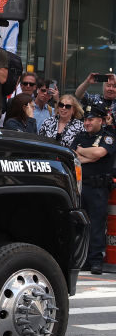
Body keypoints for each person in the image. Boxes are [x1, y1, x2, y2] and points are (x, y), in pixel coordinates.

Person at [72, 104, 116, 274]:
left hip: (98, 188)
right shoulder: (80, 136)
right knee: (81, 224)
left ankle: (96, 260)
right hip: (82, 186)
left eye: (91, 120)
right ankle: (83, 260)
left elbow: (100, 153)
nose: (87, 123)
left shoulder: (108, 137)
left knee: (97, 224)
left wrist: (83, 152)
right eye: (85, 120)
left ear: (100, 120)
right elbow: (73, 154)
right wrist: (88, 155)